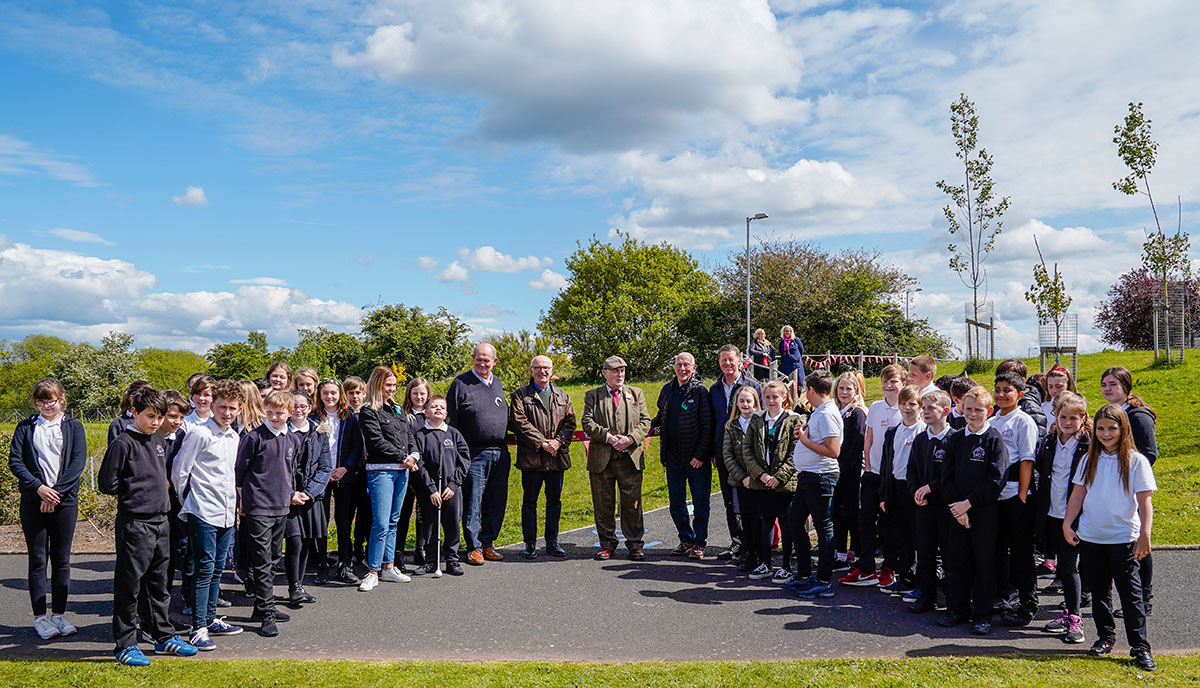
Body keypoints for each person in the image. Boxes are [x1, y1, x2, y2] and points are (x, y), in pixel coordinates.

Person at [99, 387, 198, 665]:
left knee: (159, 584)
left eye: (159, 417)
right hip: (135, 523)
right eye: (150, 416)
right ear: (134, 412)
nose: (155, 422)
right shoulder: (123, 443)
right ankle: (125, 644)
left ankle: (162, 636)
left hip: (161, 521)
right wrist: (136, 495)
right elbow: (107, 484)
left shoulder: (158, 440)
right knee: (130, 585)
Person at [1064, 404, 1156, 671]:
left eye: (1112, 428)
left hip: (1124, 538)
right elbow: (1078, 495)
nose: (1106, 434)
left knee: (1131, 595)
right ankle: (1105, 638)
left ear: (1122, 428)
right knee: (1100, 593)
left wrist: (1144, 535)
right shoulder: (1088, 460)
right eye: (1101, 429)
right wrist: (1068, 524)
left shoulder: (1135, 461)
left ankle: (1140, 646)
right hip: (1091, 538)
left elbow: (1144, 501)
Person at [7, 378, 87, 641]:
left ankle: (59, 615)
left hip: (64, 501)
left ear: (61, 399)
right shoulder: (26, 427)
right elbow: (15, 462)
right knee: (38, 559)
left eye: (50, 400)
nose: (45, 406)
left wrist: (55, 494)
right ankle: (40, 617)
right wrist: (39, 488)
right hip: (33, 500)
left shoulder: (74, 427)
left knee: (62, 559)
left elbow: (77, 464)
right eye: (40, 401)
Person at [172, 380, 245, 651]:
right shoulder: (200, 434)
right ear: (212, 405)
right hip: (202, 510)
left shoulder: (234, 437)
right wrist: (187, 501)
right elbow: (180, 471)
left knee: (217, 568)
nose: (227, 413)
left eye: (232, 408)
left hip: (226, 511)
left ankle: (211, 618)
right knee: (203, 568)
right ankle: (198, 627)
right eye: (222, 407)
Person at [937, 385, 1008, 635]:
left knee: (983, 565)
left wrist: (969, 504)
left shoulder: (994, 439)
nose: (973, 414)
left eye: (978, 410)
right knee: (957, 562)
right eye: (968, 409)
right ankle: (957, 610)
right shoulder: (955, 438)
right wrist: (958, 508)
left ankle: (982, 614)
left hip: (983, 513)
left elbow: (996, 480)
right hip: (956, 512)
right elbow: (945, 477)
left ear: (989, 411)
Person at [236, 389, 304, 636]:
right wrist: (243, 501)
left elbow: (289, 472)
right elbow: (240, 471)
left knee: (275, 558)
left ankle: (260, 605)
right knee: (262, 561)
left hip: (281, 507)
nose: (275, 417)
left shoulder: (291, 440)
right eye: (271, 412)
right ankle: (266, 612)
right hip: (257, 507)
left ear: (290, 412)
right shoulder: (254, 438)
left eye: (280, 413)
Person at [1099, 365, 1158, 616]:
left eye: (1113, 384)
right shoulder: (1113, 413)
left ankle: (1144, 597)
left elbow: (1149, 453)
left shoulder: (1137, 415)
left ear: (1126, 386)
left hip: (1131, 488)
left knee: (1138, 540)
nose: (1108, 389)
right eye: (1104, 384)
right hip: (1112, 488)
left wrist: (1130, 477)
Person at [840, 364, 905, 587]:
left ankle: (888, 568)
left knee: (890, 524)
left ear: (903, 384)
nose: (888, 385)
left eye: (893, 381)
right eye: (885, 381)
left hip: (893, 477)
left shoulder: (905, 408)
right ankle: (866, 567)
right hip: (872, 473)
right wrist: (868, 467)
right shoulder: (875, 407)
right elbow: (868, 438)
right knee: (865, 520)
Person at [581, 355, 651, 561]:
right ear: (605, 373)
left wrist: (630, 439)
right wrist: (610, 438)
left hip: (630, 458)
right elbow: (587, 422)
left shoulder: (636, 393)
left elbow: (645, 422)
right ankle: (607, 545)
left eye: (622, 371)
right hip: (602, 460)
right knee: (603, 504)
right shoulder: (592, 395)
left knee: (632, 504)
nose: (620, 374)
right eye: (615, 371)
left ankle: (635, 545)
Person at [447, 343, 511, 566]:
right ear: (473, 358)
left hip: (500, 453)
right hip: (473, 454)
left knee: (496, 502)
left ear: (495, 361)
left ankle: (488, 543)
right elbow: (450, 421)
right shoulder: (461, 383)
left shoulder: (498, 384)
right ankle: (474, 547)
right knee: (473, 502)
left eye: (487, 360)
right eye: (478, 359)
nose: (482, 363)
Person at [782, 369, 843, 600]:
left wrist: (805, 440)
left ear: (809, 390)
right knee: (794, 520)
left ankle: (824, 580)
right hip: (809, 475)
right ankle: (805, 573)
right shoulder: (820, 412)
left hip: (821, 476)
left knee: (823, 526)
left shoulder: (827, 413)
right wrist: (806, 436)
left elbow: (834, 451)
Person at [356, 366, 419, 592]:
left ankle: (389, 567)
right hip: (381, 471)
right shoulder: (368, 411)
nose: (392, 389)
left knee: (394, 521)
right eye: (388, 385)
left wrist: (413, 455)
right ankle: (372, 571)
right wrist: (403, 457)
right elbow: (375, 441)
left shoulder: (398, 410)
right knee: (381, 523)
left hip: (402, 470)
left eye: (394, 385)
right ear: (376, 385)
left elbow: (409, 436)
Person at [1036, 391, 1090, 644]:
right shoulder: (1049, 442)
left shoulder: (1088, 445)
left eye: (1073, 418)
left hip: (1077, 515)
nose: (1067, 422)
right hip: (1052, 512)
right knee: (1061, 564)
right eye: (1062, 417)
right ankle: (1068, 611)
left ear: (1083, 419)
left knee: (1069, 567)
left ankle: (1075, 618)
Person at [510, 355, 576, 559]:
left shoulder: (563, 396)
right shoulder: (520, 395)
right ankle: (529, 543)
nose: (542, 371)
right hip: (532, 459)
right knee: (530, 502)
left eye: (546, 368)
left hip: (556, 458)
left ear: (552, 370)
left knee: (554, 502)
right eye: (537, 368)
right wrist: (543, 443)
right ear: (531, 371)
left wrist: (557, 442)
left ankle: (552, 542)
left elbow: (570, 422)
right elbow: (519, 423)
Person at [652, 352, 715, 559]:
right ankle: (685, 539)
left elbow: (708, 427)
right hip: (672, 456)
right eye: (679, 364)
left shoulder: (700, 392)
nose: (682, 368)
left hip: (696, 459)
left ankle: (699, 543)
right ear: (674, 367)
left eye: (687, 365)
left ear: (694, 368)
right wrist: (645, 427)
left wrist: (700, 455)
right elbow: (661, 416)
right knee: (676, 502)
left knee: (700, 503)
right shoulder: (667, 390)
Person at [991, 371, 1040, 627]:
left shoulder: (1023, 422)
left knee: (1021, 553)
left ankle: (1028, 603)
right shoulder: (993, 420)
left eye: (1007, 390)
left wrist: (1022, 495)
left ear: (1019, 395)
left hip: (1016, 496)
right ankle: (1001, 596)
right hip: (994, 497)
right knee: (998, 550)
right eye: (998, 389)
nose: (1001, 394)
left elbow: (1027, 460)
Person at [740, 380, 800, 581]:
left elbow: (795, 452)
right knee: (765, 523)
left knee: (786, 523)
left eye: (776, 397)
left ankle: (785, 566)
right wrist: (761, 475)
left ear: (784, 398)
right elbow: (747, 451)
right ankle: (765, 564)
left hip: (784, 483)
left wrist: (779, 477)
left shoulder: (794, 420)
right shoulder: (757, 419)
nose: (771, 400)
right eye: (767, 397)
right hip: (763, 482)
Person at [709, 344, 762, 561]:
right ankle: (737, 543)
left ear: (740, 361)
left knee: (752, 500)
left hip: (751, 454)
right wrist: (713, 451)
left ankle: (756, 545)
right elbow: (712, 421)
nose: (727, 364)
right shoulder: (714, 389)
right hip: (724, 453)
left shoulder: (752, 386)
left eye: (731, 359)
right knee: (730, 501)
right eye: (723, 360)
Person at [907, 389, 956, 614]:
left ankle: (952, 598)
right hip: (923, 507)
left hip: (946, 507)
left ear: (945, 411)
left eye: (930, 408)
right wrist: (916, 491)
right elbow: (912, 471)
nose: (925, 412)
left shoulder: (954, 439)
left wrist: (931, 489)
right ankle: (926, 596)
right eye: (923, 408)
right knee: (924, 552)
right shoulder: (920, 440)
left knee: (949, 553)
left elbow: (950, 475)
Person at [412, 395, 470, 576]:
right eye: (434, 406)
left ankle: (452, 559)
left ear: (446, 413)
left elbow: (464, 461)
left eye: (442, 407)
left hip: (451, 490)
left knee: (452, 523)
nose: (438, 409)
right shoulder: (420, 436)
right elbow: (419, 465)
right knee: (429, 525)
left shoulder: (454, 434)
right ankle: (431, 560)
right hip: (429, 491)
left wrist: (453, 485)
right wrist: (430, 489)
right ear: (426, 412)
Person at [314, 378, 364, 585]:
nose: (330, 397)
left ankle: (345, 563)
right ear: (320, 395)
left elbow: (357, 446)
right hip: (320, 477)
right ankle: (323, 563)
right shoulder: (313, 418)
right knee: (321, 521)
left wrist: (346, 468)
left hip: (344, 475)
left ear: (340, 394)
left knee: (344, 521)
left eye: (334, 393)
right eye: (325, 393)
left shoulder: (350, 417)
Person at [877, 384, 925, 596]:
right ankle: (905, 577)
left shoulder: (924, 431)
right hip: (896, 488)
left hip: (916, 490)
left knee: (919, 537)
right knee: (901, 535)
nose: (907, 408)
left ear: (920, 406)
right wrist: (885, 495)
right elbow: (886, 465)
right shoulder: (892, 432)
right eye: (904, 403)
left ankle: (921, 582)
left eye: (912, 404)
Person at [722, 386, 762, 573]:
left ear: (755, 401)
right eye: (742, 401)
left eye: (749, 401)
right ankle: (748, 552)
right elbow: (727, 455)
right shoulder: (731, 425)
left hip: (759, 480)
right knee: (744, 517)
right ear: (736, 404)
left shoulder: (761, 422)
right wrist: (742, 477)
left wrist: (756, 475)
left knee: (759, 518)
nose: (745, 404)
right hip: (741, 481)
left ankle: (761, 554)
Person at [832, 371, 867, 572]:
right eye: (841, 388)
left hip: (851, 470)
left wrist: (841, 466)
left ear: (856, 390)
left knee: (851, 512)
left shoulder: (857, 413)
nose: (845, 392)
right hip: (834, 468)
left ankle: (857, 552)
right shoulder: (834, 410)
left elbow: (858, 442)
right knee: (836, 512)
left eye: (849, 388)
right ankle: (840, 553)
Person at [396, 377, 432, 571]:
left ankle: (422, 547)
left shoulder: (431, 415)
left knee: (423, 513)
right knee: (403, 512)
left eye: (422, 393)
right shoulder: (403, 415)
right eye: (415, 393)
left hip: (426, 470)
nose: (419, 397)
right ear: (409, 394)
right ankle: (398, 552)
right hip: (408, 468)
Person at [342, 375, 371, 563]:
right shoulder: (344, 416)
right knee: (347, 513)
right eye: (351, 393)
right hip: (349, 471)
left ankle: (362, 546)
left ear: (365, 394)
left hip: (368, 470)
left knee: (366, 513)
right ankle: (348, 549)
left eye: (358, 393)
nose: (355, 397)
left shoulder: (370, 413)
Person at [995, 359, 1048, 435]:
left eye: (1008, 379)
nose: (1001, 394)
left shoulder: (1030, 409)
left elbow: (1038, 440)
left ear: (1022, 381)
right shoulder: (997, 408)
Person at [108, 380, 151, 445]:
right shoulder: (118, 424)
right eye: (145, 397)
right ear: (131, 398)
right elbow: (115, 452)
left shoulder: (155, 422)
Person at [1041, 365, 1077, 430]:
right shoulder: (1043, 407)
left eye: (1059, 386)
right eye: (1050, 387)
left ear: (1068, 385)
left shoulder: (1077, 405)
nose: (1054, 391)